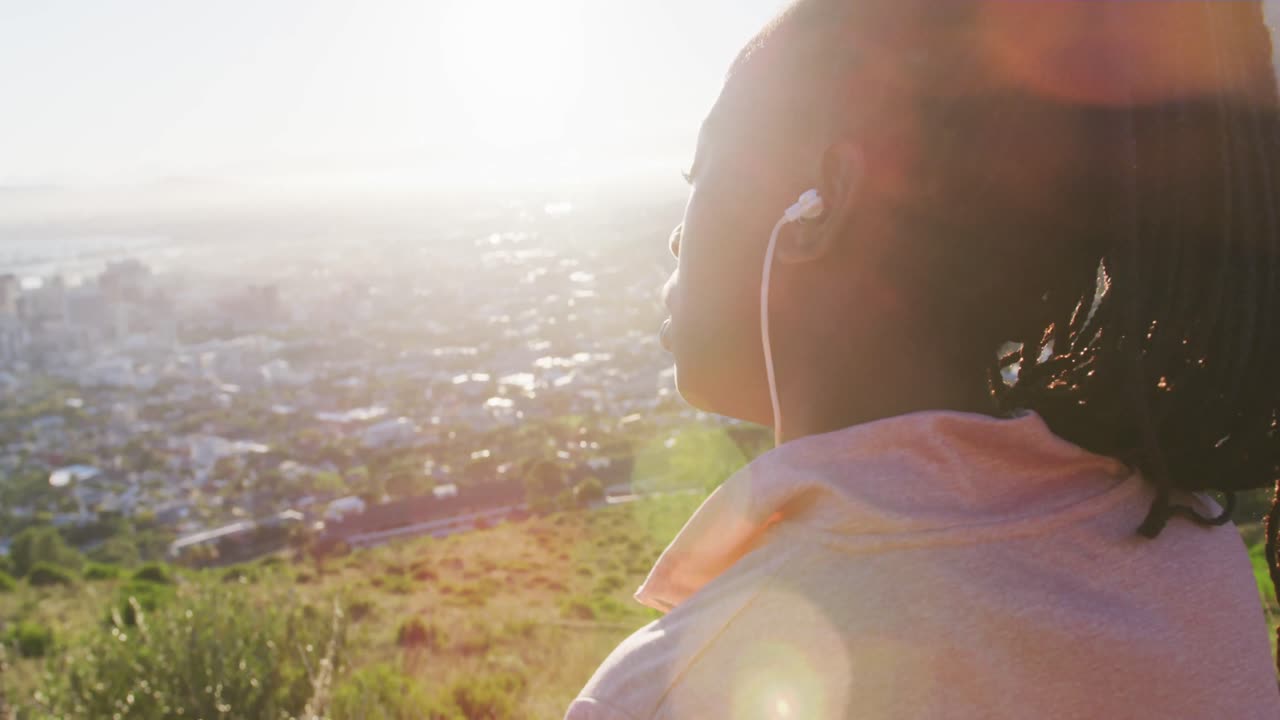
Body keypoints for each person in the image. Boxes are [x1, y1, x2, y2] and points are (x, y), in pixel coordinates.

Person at [566, 1, 1280, 718]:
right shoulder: (1193, 548)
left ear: (822, 203)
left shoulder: (672, 689)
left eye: (699, 175)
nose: (675, 242)